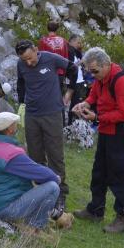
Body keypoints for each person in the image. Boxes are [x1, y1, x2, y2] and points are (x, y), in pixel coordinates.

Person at [72, 47, 124, 233]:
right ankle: (95, 211)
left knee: (118, 175)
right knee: (99, 172)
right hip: (106, 131)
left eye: (95, 71)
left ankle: (123, 218)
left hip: (119, 133)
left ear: (106, 65)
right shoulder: (102, 78)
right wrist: (86, 103)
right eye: (90, 71)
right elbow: (95, 93)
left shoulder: (121, 80)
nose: (93, 75)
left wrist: (97, 118)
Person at [0, 112, 73, 232]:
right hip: (6, 209)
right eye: (14, 124)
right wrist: (56, 178)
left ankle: (49, 217)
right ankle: (35, 227)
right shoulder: (11, 154)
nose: (16, 125)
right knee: (52, 187)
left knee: (35, 185)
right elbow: (40, 173)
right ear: (9, 129)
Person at [15, 40, 77, 212]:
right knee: (35, 155)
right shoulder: (21, 64)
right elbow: (21, 82)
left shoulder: (51, 59)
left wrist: (69, 92)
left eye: (30, 58)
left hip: (52, 114)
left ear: (36, 50)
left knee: (55, 155)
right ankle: (42, 192)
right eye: (24, 60)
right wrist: (22, 103)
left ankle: (60, 195)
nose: (28, 62)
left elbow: (73, 69)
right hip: (32, 115)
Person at [38, 20, 70, 95]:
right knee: (57, 95)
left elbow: (40, 58)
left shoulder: (43, 41)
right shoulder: (63, 41)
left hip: (47, 73)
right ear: (57, 29)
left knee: (47, 95)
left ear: (47, 28)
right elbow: (66, 58)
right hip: (60, 73)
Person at [67, 34, 91, 124]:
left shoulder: (77, 52)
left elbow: (81, 67)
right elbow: (70, 66)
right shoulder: (68, 51)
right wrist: (81, 61)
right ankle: (71, 124)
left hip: (80, 81)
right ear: (72, 41)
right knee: (75, 104)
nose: (79, 44)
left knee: (79, 103)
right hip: (74, 82)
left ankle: (75, 124)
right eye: (78, 42)